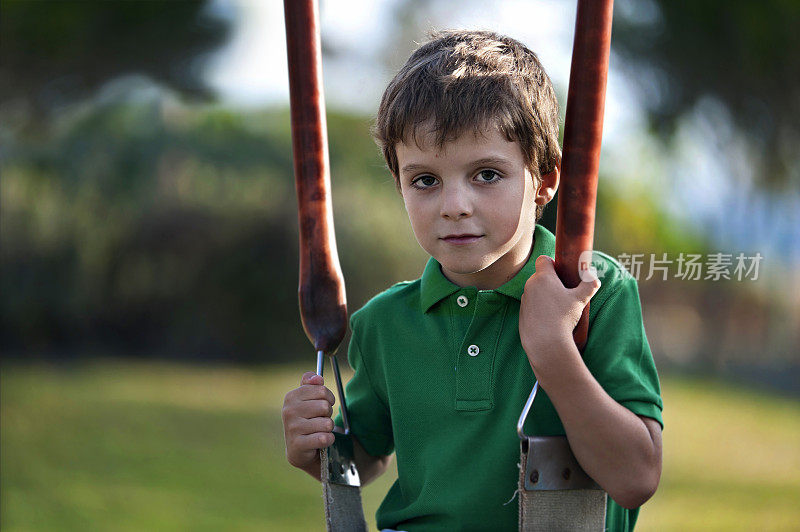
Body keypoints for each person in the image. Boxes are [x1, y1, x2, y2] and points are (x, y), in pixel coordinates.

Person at [282, 30, 663, 531]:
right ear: (399, 185)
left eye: (486, 174)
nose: (454, 206)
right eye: (425, 181)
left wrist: (553, 350)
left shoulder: (592, 292)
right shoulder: (385, 322)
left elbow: (635, 476)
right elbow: (366, 456)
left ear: (544, 180)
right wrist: (316, 448)